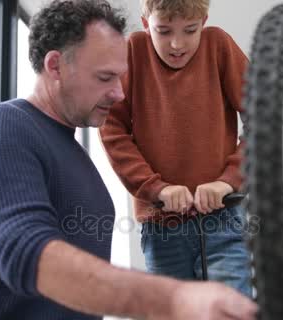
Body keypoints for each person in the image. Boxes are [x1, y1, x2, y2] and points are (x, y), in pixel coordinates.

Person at [0, 1, 257, 319]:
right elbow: (25, 253)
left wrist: (228, 179)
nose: (120, 93)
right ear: (55, 67)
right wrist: (170, 299)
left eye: (120, 78)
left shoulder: (77, 159)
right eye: (106, 77)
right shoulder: (3, 127)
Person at [99, 0, 251, 297]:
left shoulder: (219, 45)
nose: (177, 44)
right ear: (146, 23)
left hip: (223, 216)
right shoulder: (133, 51)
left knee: (230, 309)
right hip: (161, 225)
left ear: (204, 21)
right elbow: (111, 128)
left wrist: (227, 181)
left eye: (190, 30)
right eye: (164, 31)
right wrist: (154, 188)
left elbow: (264, 117)